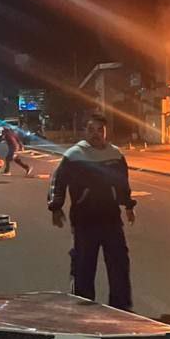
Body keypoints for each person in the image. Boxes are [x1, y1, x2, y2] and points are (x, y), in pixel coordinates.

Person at [47, 114, 136, 309]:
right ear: (85, 132)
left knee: (119, 262)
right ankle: (83, 306)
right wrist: (56, 206)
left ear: (105, 132)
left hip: (111, 218)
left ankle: (121, 307)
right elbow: (58, 181)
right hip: (84, 219)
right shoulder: (74, 155)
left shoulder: (115, 155)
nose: (96, 134)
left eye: (100, 130)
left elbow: (122, 183)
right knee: (84, 264)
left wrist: (128, 205)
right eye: (91, 130)